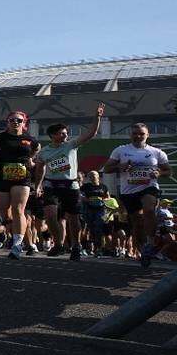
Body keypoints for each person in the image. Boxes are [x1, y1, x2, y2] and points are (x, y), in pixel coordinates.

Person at [33, 103, 105, 260]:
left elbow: (91, 134)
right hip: (51, 185)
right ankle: (58, 244)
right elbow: (39, 170)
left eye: (66, 133)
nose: (66, 136)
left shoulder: (71, 145)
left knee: (73, 219)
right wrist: (37, 186)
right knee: (50, 215)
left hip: (70, 185)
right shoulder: (44, 152)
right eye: (62, 133)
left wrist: (97, 118)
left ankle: (76, 246)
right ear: (52, 135)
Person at [104, 123, 172, 267]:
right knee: (137, 222)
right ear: (131, 135)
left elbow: (168, 171)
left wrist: (159, 173)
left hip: (149, 186)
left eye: (141, 133)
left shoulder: (157, 152)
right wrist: (119, 167)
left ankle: (151, 242)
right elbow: (107, 169)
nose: (138, 136)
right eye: (135, 133)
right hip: (129, 191)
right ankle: (143, 250)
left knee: (148, 209)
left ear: (147, 135)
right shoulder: (121, 150)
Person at [0, 111, 40, 260]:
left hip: (22, 177)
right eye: (12, 120)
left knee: (18, 209)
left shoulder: (29, 139)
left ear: (24, 123)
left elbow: (37, 147)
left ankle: (17, 244)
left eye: (19, 120)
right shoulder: (0, 137)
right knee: (5, 213)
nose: (15, 122)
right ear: (7, 122)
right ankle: (12, 230)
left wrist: (31, 159)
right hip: (2, 176)